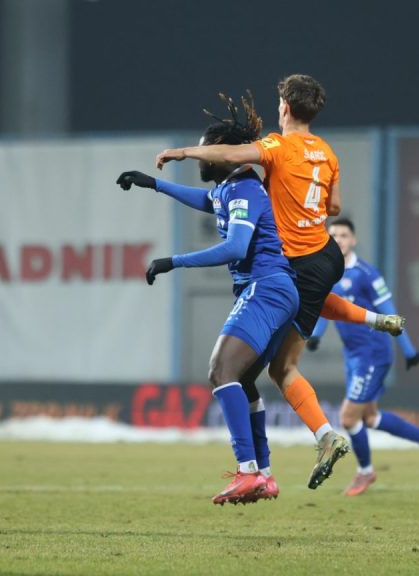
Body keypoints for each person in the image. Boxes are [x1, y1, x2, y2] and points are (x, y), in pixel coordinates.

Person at [151, 75, 403, 489]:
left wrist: (182, 151)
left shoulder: (277, 147)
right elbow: (334, 205)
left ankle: (312, 443)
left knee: (276, 369)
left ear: (285, 107)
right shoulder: (327, 152)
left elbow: (230, 153)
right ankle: (375, 322)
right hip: (326, 255)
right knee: (274, 359)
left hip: (298, 260)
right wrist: (300, 200)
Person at [117, 94, 294, 505]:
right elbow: (205, 200)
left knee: (220, 371)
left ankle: (247, 471)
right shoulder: (230, 187)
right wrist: (153, 184)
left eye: (205, 153)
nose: (200, 161)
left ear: (223, 155)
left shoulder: (245, 189)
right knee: (243, 380)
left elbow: (236, 247)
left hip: (266, 287)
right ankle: (264, 475)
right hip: (272, 289)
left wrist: (173, 261)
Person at [307, 218, 419, 496]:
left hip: (372, 354)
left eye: (343, 235)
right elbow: (328, 308)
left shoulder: (366, 274)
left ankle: (365, 472)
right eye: (333, 235)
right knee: (369, 417)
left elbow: (389, 313)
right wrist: (316, 335)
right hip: (353, 355)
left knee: (349, 418)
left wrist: (408, 350)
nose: (338, 239)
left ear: (353, 240)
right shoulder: (328, 272)